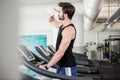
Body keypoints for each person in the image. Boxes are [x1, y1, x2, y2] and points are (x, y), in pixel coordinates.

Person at [39, 2, 77, 77]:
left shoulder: (69, 29)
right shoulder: (62, 25)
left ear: (65, 15)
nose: (58, 13)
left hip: (67, 66)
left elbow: (60, 52)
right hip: (61, 65)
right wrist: (53, 13)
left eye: (59, 12)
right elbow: (51, 21)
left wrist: (46, 67)